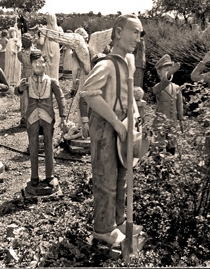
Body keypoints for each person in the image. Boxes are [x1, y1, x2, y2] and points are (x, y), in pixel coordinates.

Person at [80, 14, 143, 246]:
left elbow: (129, 97)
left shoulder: (128, 63)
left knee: (121, 178)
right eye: (134, 32)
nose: (138, 38)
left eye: (140, 33)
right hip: (107, 129)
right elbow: (88, 93)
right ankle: (103, 228)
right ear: (118, 32)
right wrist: (116, 123)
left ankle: (118, 221)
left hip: (124, 127)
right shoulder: (106, 64)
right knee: (105, 179)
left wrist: (134, 121)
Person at [14, 50, 67, 188]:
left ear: (45, 63)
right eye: (35, 62)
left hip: (47, 117)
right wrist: (19, 88)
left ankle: (50, 175)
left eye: (41, 62)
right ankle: (34, 176)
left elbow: (61, 98)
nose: (38, 65)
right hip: (32, 117)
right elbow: (17, 92)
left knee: (49, 145)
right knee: (33, 146)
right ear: (31, 64)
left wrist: (63, 116)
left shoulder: (52, 81)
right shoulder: (26, 81)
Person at [152, 54, 183, 155]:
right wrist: (168, 74)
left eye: (170, 69)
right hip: (160, 123)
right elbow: (157, 89)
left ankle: (170, 163)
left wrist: (181, 119)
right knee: (159, 145)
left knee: (171, 144)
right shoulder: (158, 87)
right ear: (159, 72)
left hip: (172, 122)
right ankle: (157, 164)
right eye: (166, 69)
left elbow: (179, 104)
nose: (169, 71)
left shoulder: (176, 87)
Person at [16, 33, 35, 127]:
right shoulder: (34, 52)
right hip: (33, 73)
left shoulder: (20, 54)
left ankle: (24, 116)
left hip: (24, 73)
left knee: (24, 95)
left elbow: (20, 58)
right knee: (32, 94)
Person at [38, 12, 62, 80]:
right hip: (55, 47)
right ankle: (55, 81)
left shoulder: (44, 29)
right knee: (55, 66)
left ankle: (46, 81)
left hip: (47, 47)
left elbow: (41, 42)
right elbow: (61, 41)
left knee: (46, 65)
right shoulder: (59, 29)